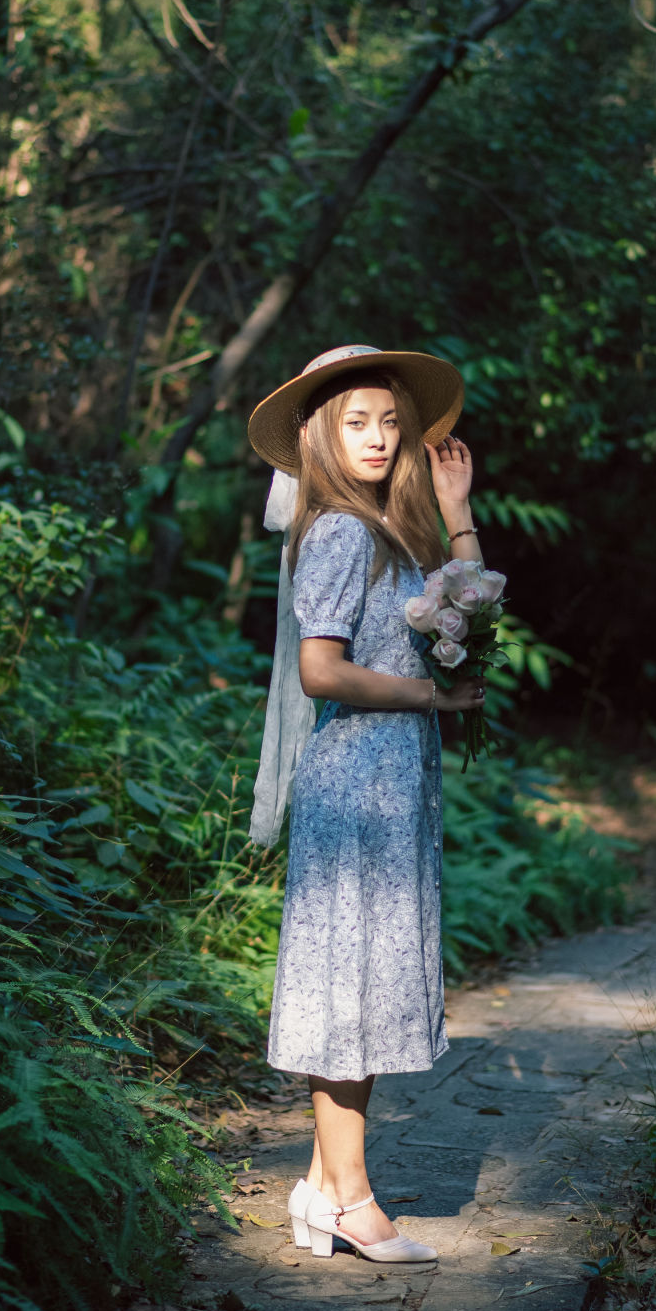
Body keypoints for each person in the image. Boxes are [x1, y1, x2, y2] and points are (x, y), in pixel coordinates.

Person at [247, 344, 489, 1264]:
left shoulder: (388, 529)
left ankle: (319, 1184)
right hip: (357, 781)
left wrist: (457, 516)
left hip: (397, 779)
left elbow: (467, 626)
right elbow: (320, 671)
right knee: (348, 984)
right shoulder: (342, 531)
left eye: (391, 421)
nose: (381, 437)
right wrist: (427, 696)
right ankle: (351, 1198)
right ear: (321, 434)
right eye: (358, 422)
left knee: (372, 980)